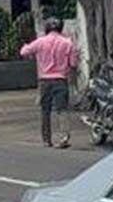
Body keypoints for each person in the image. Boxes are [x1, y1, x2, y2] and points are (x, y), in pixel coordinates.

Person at [20, 17, 78, 148]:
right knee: (62, 110)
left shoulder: (40, 42)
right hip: (61, 80)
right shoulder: (67, 43)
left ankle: (47, 140)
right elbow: (73, 63)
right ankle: (64, 138)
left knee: (45, 110)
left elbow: (24, 52)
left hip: (44, 81)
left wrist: (26, 44)